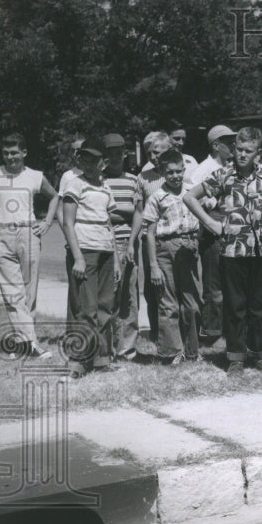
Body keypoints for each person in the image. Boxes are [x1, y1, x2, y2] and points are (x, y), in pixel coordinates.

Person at [183, 127, 262, 375]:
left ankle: (259, 352)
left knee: (260, 306)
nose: (242, 155)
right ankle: (236, 357)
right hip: (231, 252)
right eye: (239, 149)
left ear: (258, 154)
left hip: (260, 251)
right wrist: (211, 223)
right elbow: (189, 197)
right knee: (235, 306)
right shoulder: (223, 176)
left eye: (248, 151)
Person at [0, 133, 60, 359]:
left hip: (29, 233)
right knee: (13, 294)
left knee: (28, 292)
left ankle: (20, 342)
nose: (10, 157)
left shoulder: (35, 176)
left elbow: (54, 196)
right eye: (6, 153)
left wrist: (47, 222)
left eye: (14, 152)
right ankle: (32, 344)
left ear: (24, 153)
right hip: (1, 235)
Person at [60, 136, 120, 379]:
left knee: (105, 306)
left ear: (103, 163)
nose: (88, 163)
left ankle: (101, 358)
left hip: (105, 251)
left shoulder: (105, 187)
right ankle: (78, 361)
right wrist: (78, 258)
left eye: (93, 159)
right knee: (86, 308)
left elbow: (109, 225)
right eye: (84, 158)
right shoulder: (75, 184)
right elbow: (67, 222)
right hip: (85, 251)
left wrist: (116, 259)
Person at [143, 149, 202, 365]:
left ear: (184, 169)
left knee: (192, 302)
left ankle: (193, 350)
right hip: (165, 248)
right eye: (170, 172)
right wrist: (153, 265)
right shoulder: (157, 197)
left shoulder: (192, 192)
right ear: (162, 173)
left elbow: (205, 214)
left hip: (189, 248)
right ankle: (171, 352)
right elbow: (149, 233)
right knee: (168, 303)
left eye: (179, 171)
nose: (175, 176)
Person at [188, 124, 237, 342]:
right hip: (211, 235)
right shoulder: (203, 169)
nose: (233, 146)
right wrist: (209, 205)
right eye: (228, 142)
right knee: (214, 287)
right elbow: (190, 198)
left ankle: (226, 329)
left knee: (229, 285)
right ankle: (211, 333)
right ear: (216, 145)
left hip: (230, 233)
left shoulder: (231, 167)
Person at [126, 131, 173, 343]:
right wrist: (132, 240)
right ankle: (157, 332)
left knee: (176, 286)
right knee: (153, 286)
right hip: (151, 240)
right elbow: (139, 211)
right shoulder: (143, 177)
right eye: (151, 153)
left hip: (175, 237)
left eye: (158, 152)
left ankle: (179, 331)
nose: (154, 157)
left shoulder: (179, 173)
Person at [101, 133, 139, 360]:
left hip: (130, 242)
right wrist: (128, 210)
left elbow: (140, 214)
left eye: (119, 153)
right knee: (109, 296)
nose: (115, 157)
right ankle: (110, 346)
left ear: (125, 154)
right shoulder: (99, 180)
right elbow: (102, 212)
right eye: (111, 154)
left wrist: (133, 241)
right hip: (106, 243)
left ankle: (128, 348)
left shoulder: (133, 180)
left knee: (129, 296)